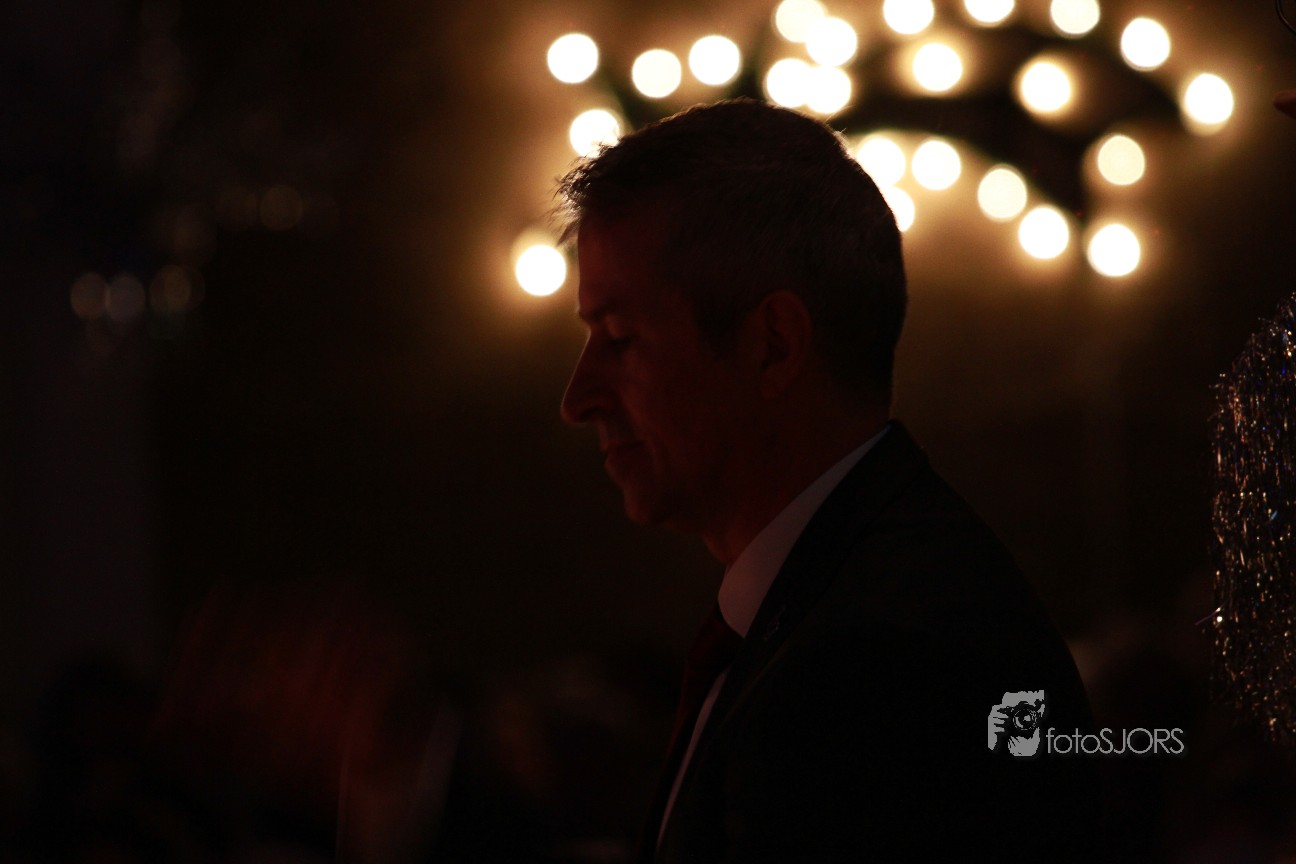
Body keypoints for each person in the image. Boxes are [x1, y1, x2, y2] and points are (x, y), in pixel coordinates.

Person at [557, 98, 1098, 863]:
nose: (577, 399)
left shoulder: (876, 671)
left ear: (774, 346)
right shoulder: (855, 600)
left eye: (620, 338)